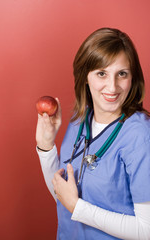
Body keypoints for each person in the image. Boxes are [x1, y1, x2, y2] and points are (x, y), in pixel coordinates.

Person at [35, 28, 150, 240]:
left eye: (122, 74)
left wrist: (78, 207)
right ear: (85, 77)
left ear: (133, 78)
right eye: (101, 73)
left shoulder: (141, 136)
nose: (112, 86)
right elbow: (63, 197)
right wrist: (46, 147)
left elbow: (146, 231)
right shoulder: (80, 120)